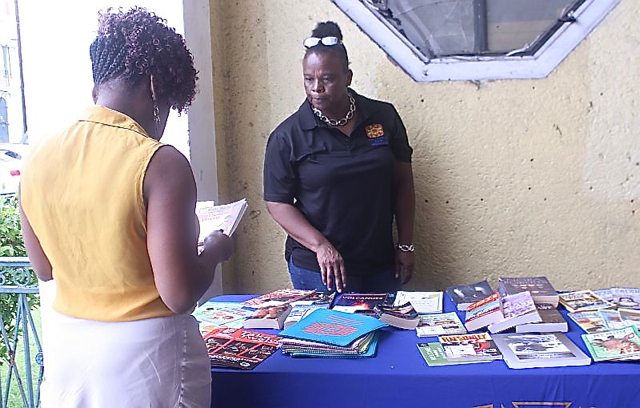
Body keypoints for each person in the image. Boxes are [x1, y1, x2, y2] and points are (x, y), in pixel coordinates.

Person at [19, 7, 233, 407]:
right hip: (148, 362)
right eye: (170, 104)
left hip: (69, 354)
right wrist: (215, 251)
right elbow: (180, 293)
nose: (165, 119)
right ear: (155, 87)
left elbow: (45, 269)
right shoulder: (159, 163)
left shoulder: (37, 157)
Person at [263, 21, 415, 294]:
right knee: (330, 336)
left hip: (380, 264)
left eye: (328, 78)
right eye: (309, 79)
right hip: (320, 270)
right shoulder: (288, 136)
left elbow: (403, 182)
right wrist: (320, 246)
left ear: (348, 77)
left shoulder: (384, 117)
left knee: (386, 335)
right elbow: (277, 202)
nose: (316, 88)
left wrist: (406, 243)